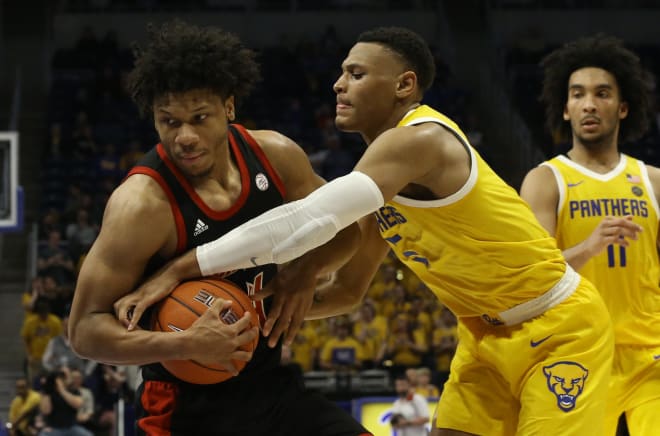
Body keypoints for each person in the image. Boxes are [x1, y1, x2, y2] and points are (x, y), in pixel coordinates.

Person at [115, 26, 616, 435]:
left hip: (559, 330)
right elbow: (350, 291)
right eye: (340, 73)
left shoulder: (420, 140)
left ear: (403, 85)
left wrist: (184, 268)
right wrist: (252, 311)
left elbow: (310, 220)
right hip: (483, 336)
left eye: (356, 74)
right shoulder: (382, 181)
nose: (338, 84)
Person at [67, 20, 369, 436]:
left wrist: (305, 271)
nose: (184, 136)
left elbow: (348, 230)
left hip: (271, 390)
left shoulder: (276, 157)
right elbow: (84, 330)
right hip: (184, 405)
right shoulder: (141, 205)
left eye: (199, 117)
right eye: (168, 121)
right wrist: (183, 344)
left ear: (228, 108)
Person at [519, 34, 660, 436]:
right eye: (578, 95)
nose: (589, 104)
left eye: (602, 94)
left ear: (623, 107)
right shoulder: (546, 180)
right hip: (577, 353)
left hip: (649, 355)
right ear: (565, 109)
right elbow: (533, 277)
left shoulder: (652, 181)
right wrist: (588, 247)